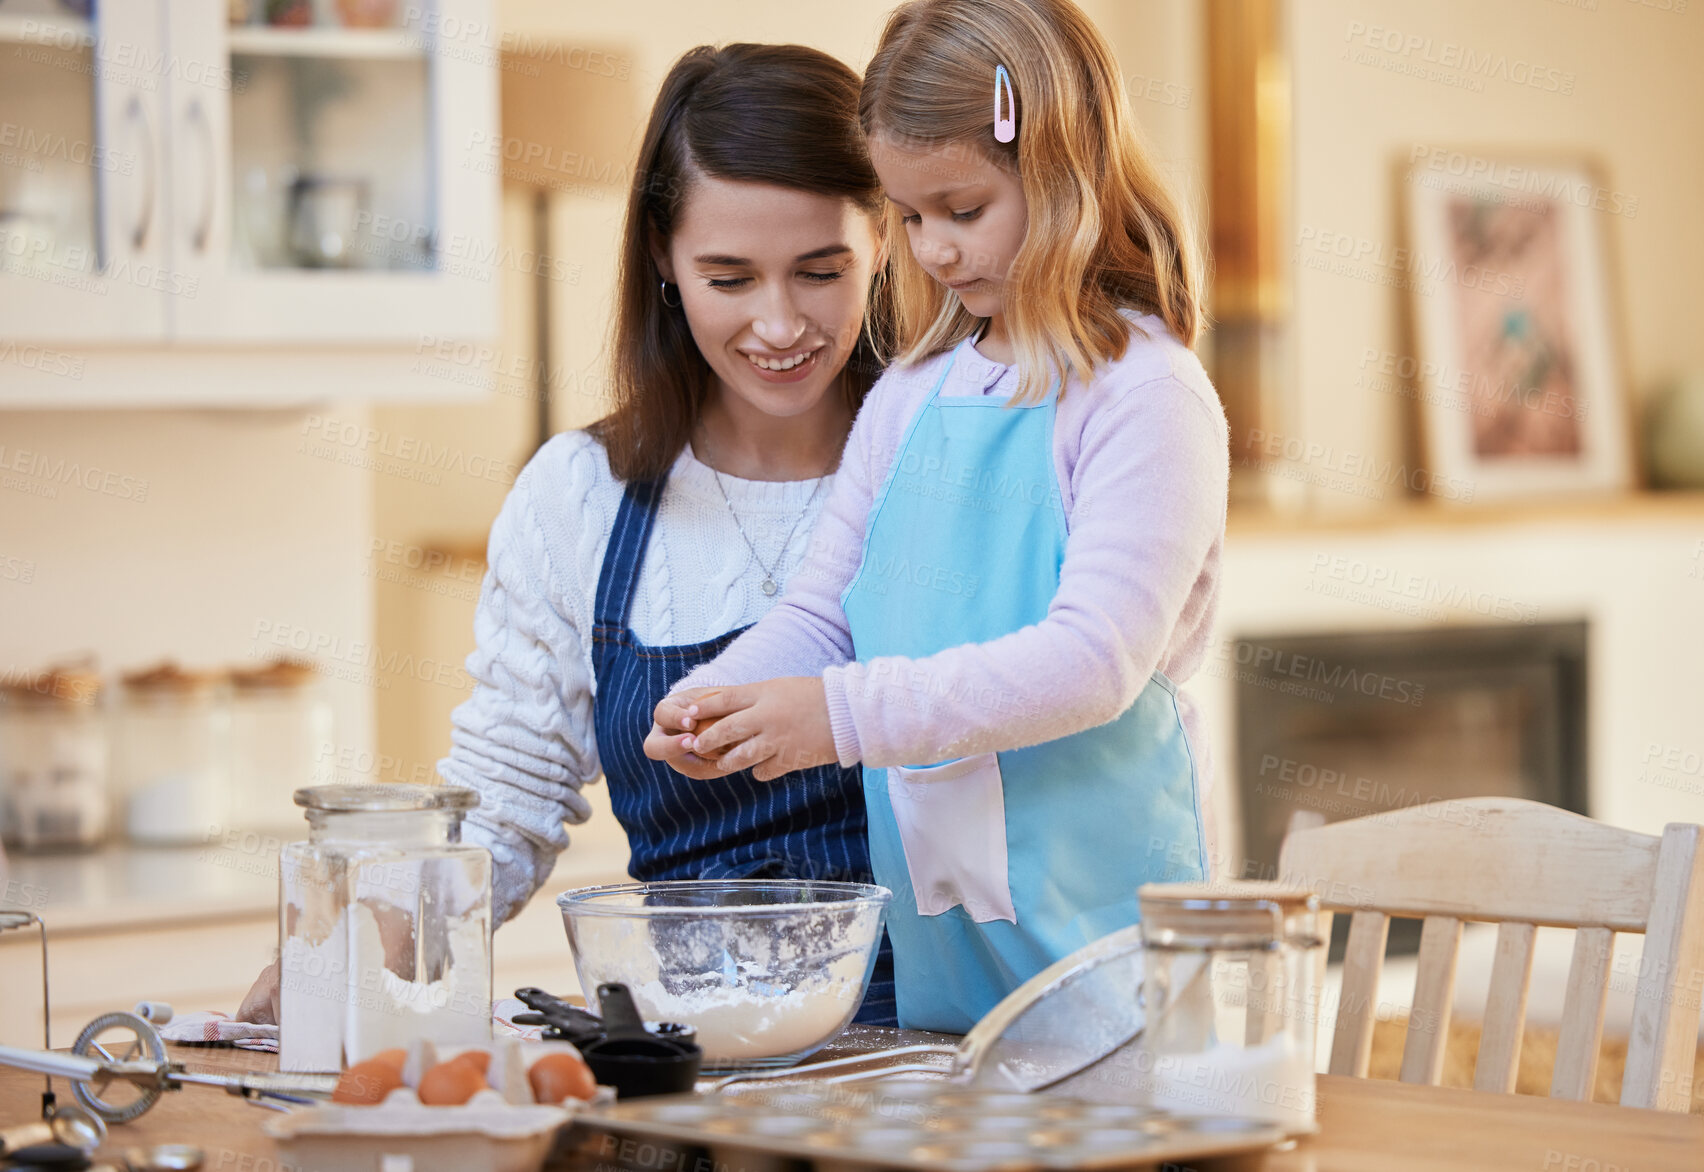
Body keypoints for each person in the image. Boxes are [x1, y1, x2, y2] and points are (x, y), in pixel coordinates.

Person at [239, 42, 898, 1027]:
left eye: (819, 271)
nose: (778, 321)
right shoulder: (581, 496)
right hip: (694, 1054)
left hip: (936, 1041)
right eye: (729, 276)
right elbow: (504, 796)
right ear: (665, 263)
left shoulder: (943, 469)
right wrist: (342, 953)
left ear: (886, 239)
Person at [646, 0, 1228, 1033]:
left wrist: (838, 717)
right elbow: (826, 612)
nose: (937, 251)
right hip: (945, 935)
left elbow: (1091, 660)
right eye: (910, 218)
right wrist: (719, 694)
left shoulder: (1146, 395)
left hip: (1103, 938)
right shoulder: (912, 395)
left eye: (963, 208)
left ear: (1061, 173)